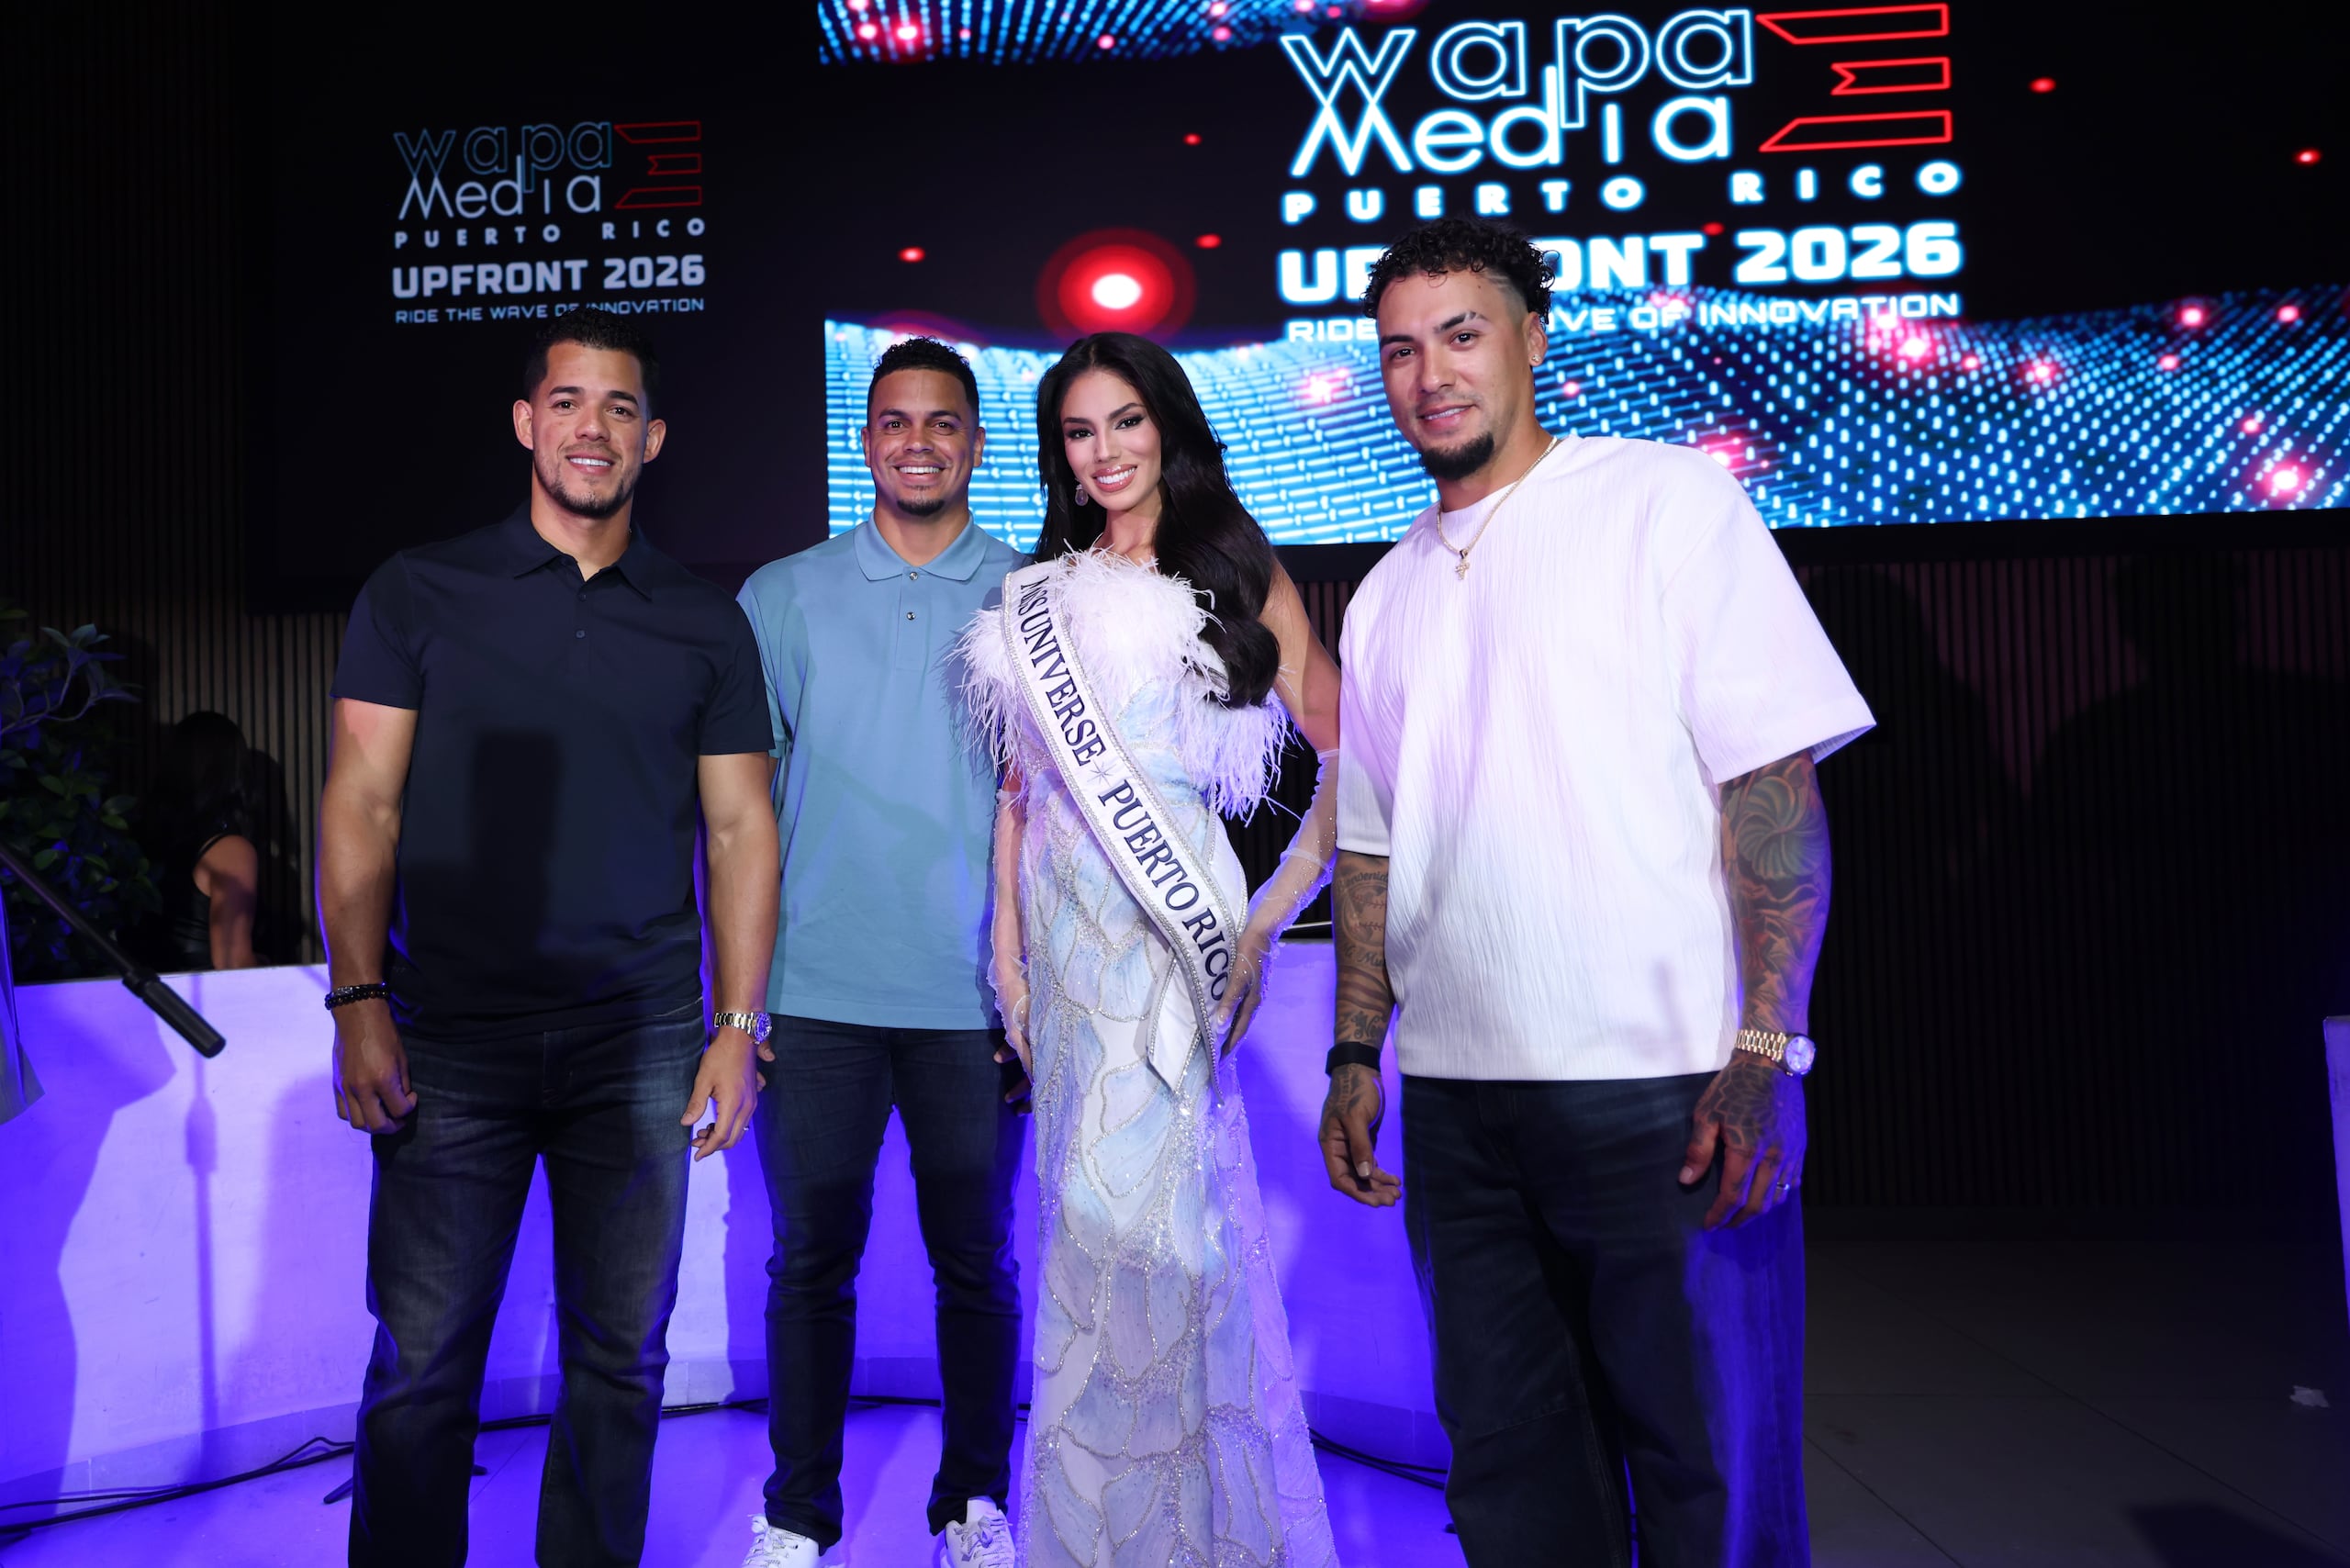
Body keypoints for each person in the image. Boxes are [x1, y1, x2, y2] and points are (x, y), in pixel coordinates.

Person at [1320, 218, 1875, 1567]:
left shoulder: (1664, 501)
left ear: (1532, 340)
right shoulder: (1383, 593)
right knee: (1511, 1474)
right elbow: (1375, 853)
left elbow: (1774, 793)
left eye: (1462, 334)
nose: (1430, 373)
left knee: (1709, 1477)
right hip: (1460, 1109)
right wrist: (1354, 1049)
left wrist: (1765, 1047)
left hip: (1665, 1089)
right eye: (1400, 348)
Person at [319, 306, 779, 1568]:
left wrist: (738, 1024)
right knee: (420, 1373)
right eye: (569, 402)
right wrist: (356, 994)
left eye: (620, 408)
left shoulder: (704, 619)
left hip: (636, 1040)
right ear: (528, 424)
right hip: (448, 1043)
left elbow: (740, 831)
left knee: (618, 1369)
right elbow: (360, 800)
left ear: (655, 439)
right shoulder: (420, 591)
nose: (594, 427)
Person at [958, 331, 1343, 1568]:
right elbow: (1020, 798)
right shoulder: (1039, 597)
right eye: (1080, 431)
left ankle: (1191, 1530)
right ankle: (1100, 1529)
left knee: (1170, 1229)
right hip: (1066, 963)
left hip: (1178, 948)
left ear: (1167, 426)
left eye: (1125, 422)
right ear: (1059, 457)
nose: (1105, 451)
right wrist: (1008, 960)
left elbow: (1349, 759)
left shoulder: (1235, 572)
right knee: (1082, 1224)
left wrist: (1276, 908)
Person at [732, 337, 1028, 1568]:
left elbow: (1047, 810)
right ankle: (799, 1512)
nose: (919, 443)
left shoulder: (1030, 594)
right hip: (818, 996)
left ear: (975, 440)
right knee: (811, 1266)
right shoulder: (782, 594)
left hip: (976, 999)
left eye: (944, 423)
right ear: (866, 441)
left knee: (977, 1264)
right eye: (895, 423)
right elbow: (738, 814)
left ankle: (972, 1503)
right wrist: (740, 1009)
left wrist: (1030, 991)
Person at [145, 710, 261, 970]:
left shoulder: (143, 837)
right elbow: (233, 964)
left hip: (138, 997)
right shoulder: (230, 852)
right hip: (193, 1003)